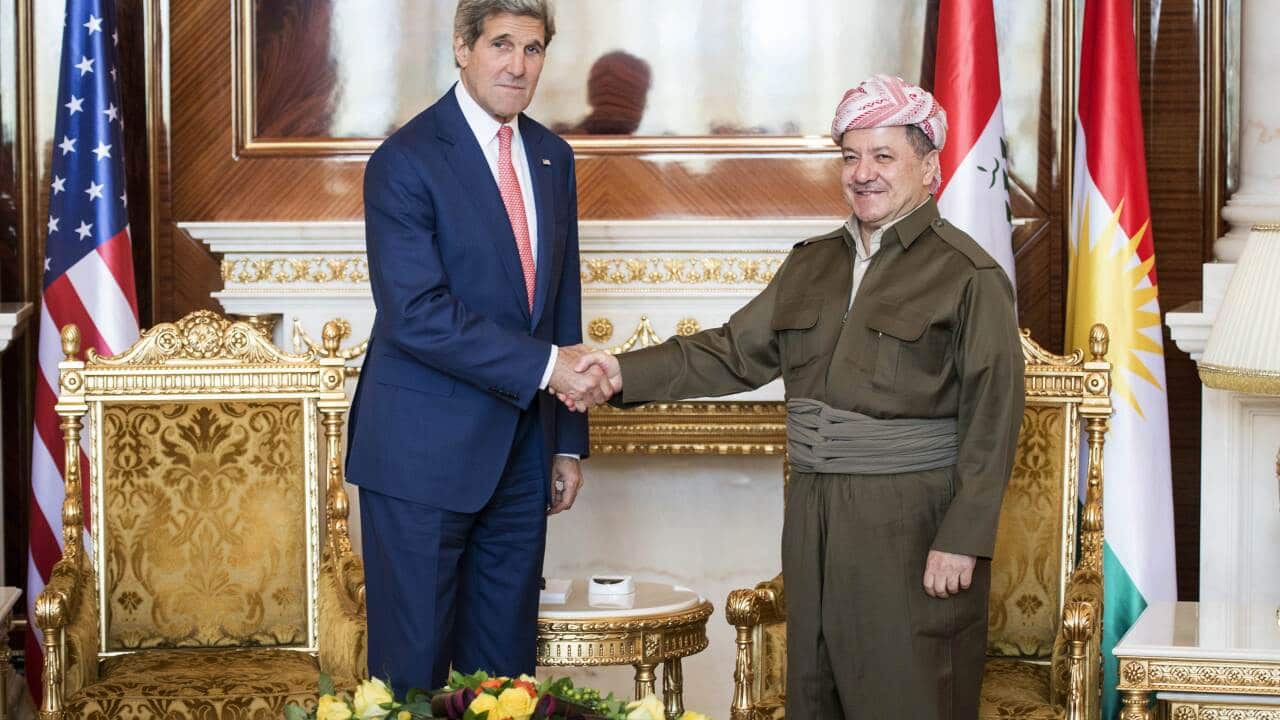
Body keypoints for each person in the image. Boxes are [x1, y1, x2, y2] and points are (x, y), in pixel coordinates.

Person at [568, 75, 1025, 719]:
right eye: (850, 156)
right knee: (815, 692)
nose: (862, 173)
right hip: (811, 509)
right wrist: (617, 372)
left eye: (883, 156)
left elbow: (995, 414)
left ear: (929, 167)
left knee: (907, 690)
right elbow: (731, 352)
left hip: (911, 520)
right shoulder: (812, 263)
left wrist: (964, 536)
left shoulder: (968, 274)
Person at [346, 0, 614, 694]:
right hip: (419, 458)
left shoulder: (554, 156)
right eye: (501, 45)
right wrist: (551, 369)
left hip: (523, 456)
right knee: (412, 675)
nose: (517, 65)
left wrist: (565, 441)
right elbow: (418, 315)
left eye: (532, 49)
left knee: (503, 680)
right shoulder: (403, 160)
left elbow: (561, 304)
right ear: (462, 48)